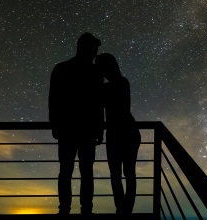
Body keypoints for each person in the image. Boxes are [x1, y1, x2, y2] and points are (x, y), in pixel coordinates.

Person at [48, 32, 104, 216]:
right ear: (86, 48)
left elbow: (54, 100)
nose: (96, 53)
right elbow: (98, 102)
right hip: (84, 129)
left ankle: (65, 210)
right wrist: (99, 128)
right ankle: (85, 210)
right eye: (94, 49)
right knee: (85, 171)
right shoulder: (95, 73)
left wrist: (55, 125)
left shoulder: (61, 68)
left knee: (66, 170)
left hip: (67, 128)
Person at [95, 53, 141, 217]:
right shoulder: (120, 83)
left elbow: (106, 108)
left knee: (121, 174)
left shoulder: (115, 85)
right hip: (123, 132)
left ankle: (123, 210)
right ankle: (123, 210)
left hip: (122, 133)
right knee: (124, 174)